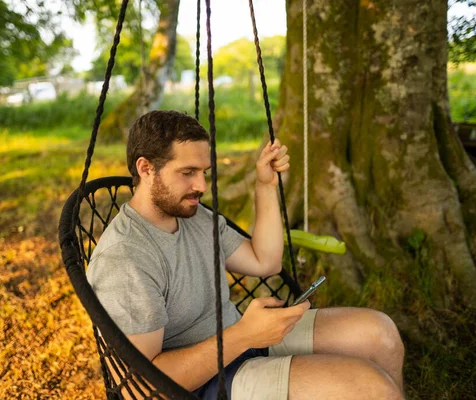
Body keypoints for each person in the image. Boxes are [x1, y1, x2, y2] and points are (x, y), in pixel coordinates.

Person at [86, 110, 405, 400]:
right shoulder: (125, 260)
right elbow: (139, 388)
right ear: (146, 168)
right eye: (188, 172)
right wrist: (242, 336)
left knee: (380, 334)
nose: (201, 185)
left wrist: (264, 186)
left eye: (204, 172)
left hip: (240, 339)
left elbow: (265, 261)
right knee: (369, 388)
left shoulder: (193, 216)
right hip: (202, 384)